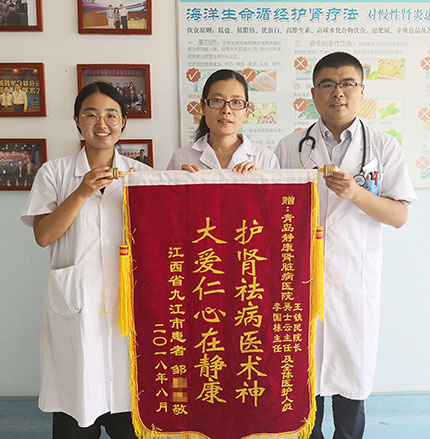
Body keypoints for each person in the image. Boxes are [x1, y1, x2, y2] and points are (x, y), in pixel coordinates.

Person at [275, 52, 416, 439]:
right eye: (327, 84)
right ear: (313, 94)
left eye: (347, 83)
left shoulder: (384, 147)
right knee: (304, 380)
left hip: (355, 279)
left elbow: (399, 216)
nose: (338, 92)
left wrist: (356, 194)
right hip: (299, 280)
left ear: (361, 91)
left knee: (351, 379)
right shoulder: (290, 147)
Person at [20, 82, 151, 439]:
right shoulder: (55, 173)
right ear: (77, 121)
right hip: (76, 310)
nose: (102, 124)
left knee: (130, 412)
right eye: (91, 114)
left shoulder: (142, 176)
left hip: (127, 309)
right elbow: (43, 235)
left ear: (124, 122)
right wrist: (81, 192)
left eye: (111, 115)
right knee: (77, 408)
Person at [167, 69, 280, 172]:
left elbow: (278, 189)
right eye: (217, 101)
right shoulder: (181, 158)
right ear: (203, 106)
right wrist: (180, 182)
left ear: (246, 110)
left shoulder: (266, 159)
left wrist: (261, 181)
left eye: (236, 102)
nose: (226, 110)